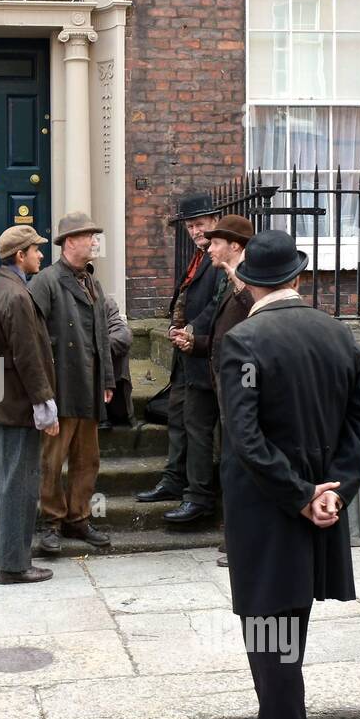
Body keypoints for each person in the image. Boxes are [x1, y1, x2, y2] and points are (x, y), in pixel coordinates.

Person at [218, 229, 360, 719]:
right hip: (322, 510)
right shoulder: (338, 335)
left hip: (270, 518)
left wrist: (300, 495)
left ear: (247, 282)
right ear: (298, 277)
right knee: (287, 636)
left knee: (269, 638)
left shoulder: (242, 342)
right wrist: (333, 490)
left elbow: (245, 438)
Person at [0, 225, 59, 584]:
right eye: (36, 250)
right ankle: (13, 564)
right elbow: (29, 357)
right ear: (20, 256)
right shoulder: (17, 296)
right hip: (14, 402)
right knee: (19, 481)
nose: (41, 254)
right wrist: (44, 403)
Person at [171, 214, 256, 567]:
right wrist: (196, 343)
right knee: (233, 463)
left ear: (235, 246)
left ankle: (246, 540)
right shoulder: (225, 278)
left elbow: (255, 317)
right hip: (224, 385)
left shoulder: (249, 282)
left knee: (245, 466)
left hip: (245, 388)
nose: (209, 246)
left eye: (217, 242)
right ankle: (236, 536)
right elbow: (226, 338)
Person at [28, 211, 115, 555]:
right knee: (52, 460)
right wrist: (42, 391)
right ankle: (51, 521)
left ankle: (78, 518)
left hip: (89, 386)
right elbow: (32, 339)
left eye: (94, 235)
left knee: (87, 460)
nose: (95, 241)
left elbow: (102, 339)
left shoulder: (93, 283)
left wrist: (107, 379)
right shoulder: (46, 282)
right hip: (59, 385)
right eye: (88, 236)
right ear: (69, 242)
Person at [137, 191, 223, 520]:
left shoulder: (219, 259)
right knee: (178, 418)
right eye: (190, 227)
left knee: (198, 427)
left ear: (214, 222)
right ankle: (174, 480)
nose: (195, 232)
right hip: (185, 356)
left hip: (203, 354)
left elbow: (218, 304)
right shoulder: (198, 257)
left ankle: (198, 496)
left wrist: (191, 329)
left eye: (200, 225)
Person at [102, 295, 134, 428]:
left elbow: (123, 334)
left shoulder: (104, 302)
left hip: (94, 361)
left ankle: (113, 411)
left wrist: (99, 348)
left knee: (117, 345)